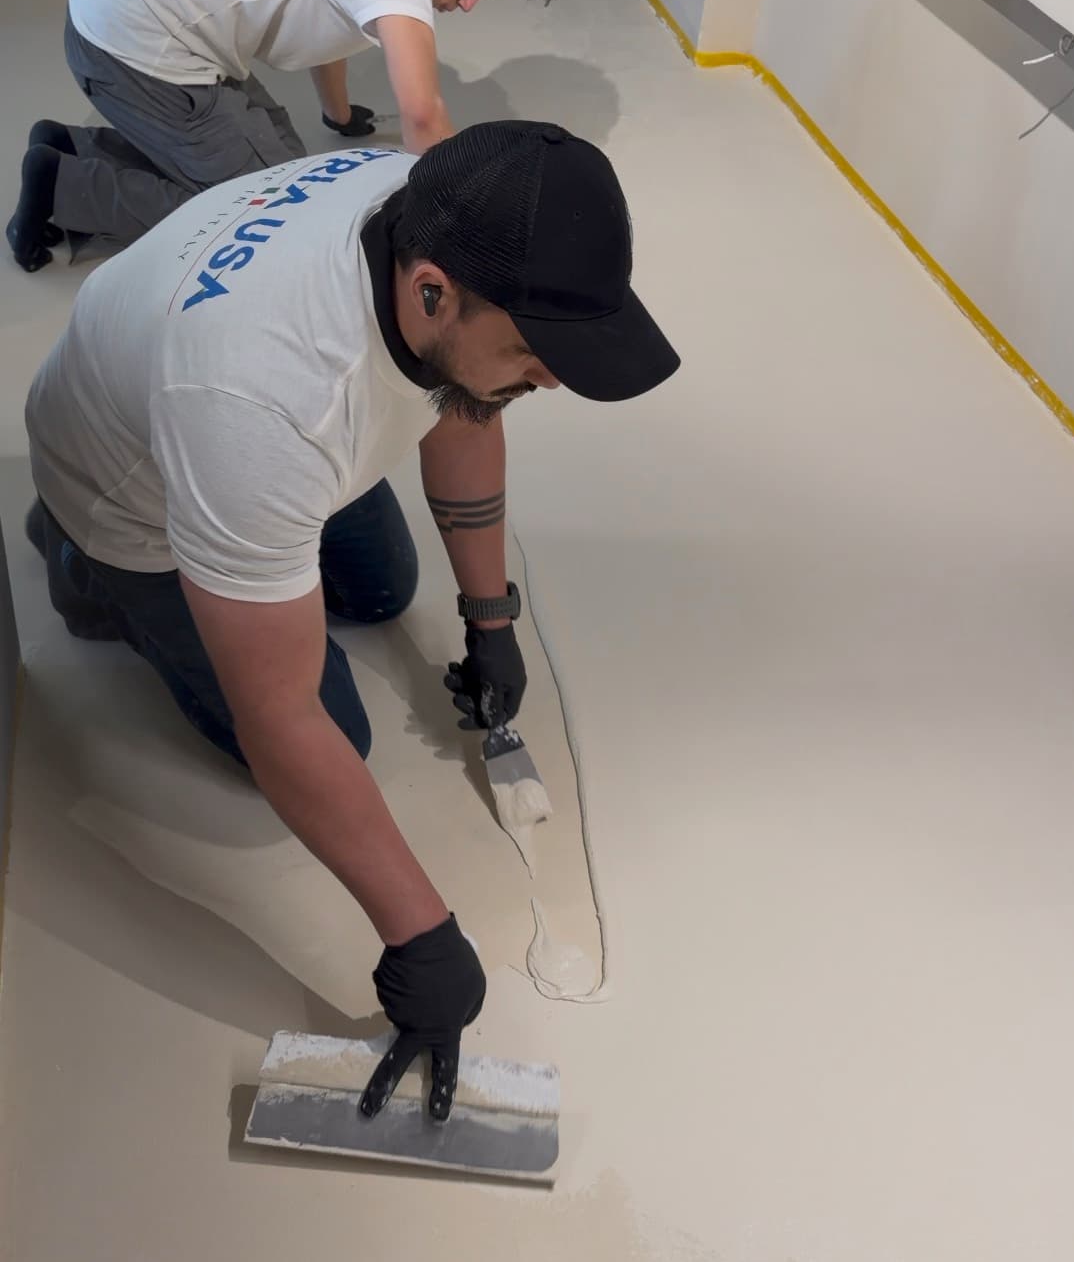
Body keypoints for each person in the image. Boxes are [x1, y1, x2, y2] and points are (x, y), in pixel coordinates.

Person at [24, 120, 680, 1116]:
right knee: (334, 730)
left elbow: (469, 404)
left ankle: (241, 545)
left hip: (228, 418)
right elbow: (278, 716)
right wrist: (417, 933)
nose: (548, 376)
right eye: (534, 351)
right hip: (136, 493)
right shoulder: (262, 407)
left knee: (379, 589)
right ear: (429, 294)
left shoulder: (441, 204)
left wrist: (490, 619)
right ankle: (81, 567)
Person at [6, 0, 561, 270]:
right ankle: (63, 191)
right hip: (132, 49)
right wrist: (455, 240)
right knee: (271, 217)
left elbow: (340, 16)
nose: (466, 5)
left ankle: (71, 148)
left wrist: (338, 116)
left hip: (132, 13)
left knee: (294, 168)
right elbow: (423, 115)